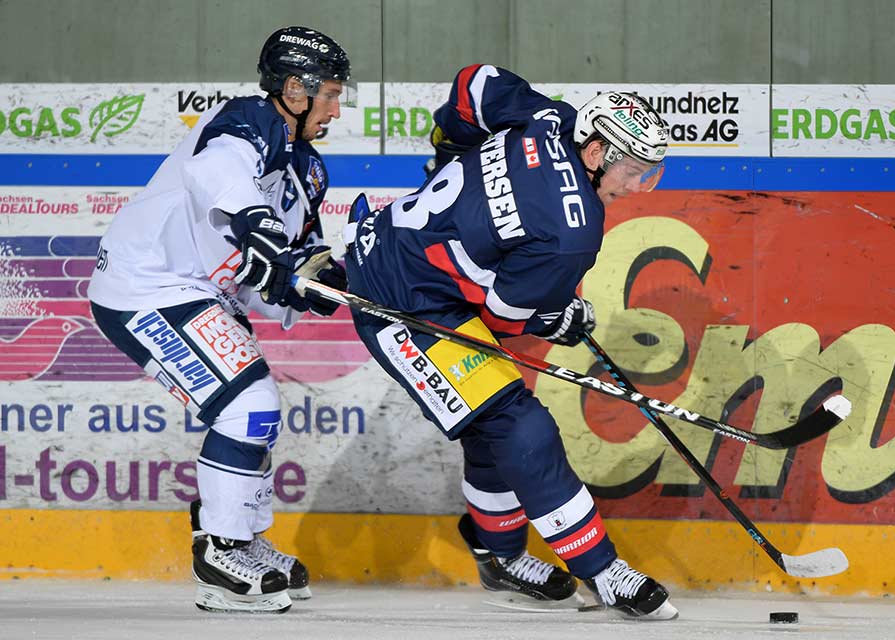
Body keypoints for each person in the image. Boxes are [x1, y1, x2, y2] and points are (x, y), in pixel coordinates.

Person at [339, 64, 677, 619]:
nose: (641, 186)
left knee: (488, 421)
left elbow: (476, 80)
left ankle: (499, 558)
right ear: (594, 153)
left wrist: (452, 144)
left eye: (652, 173)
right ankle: (601, 570)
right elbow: (502, 316)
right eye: (636, 170)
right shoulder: (574, 233)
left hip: (396, 247)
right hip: (403, 303)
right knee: (517, 423)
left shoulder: (548, 119)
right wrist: (557, 318)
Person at [86, 26, 354, 614]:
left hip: (200, 293)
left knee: (257, 410)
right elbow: (218, 173)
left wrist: (313, 288)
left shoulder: (308, 174)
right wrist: (256, 224)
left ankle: (240, 539)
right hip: (145, 284)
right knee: (249, 405)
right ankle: (220, 552)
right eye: (330, 94)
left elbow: (281, 278)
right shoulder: (247, 122)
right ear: (293, 89)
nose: (338, 108)